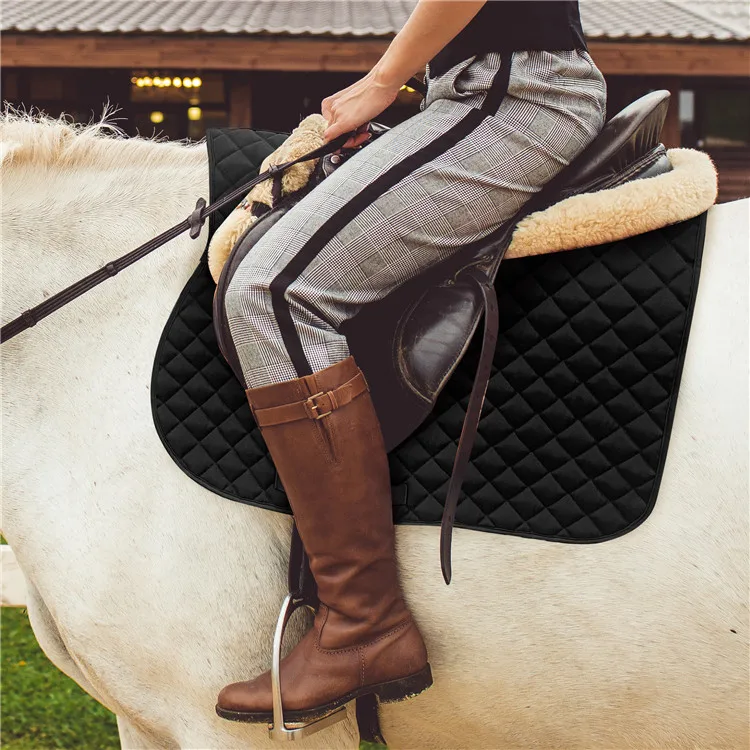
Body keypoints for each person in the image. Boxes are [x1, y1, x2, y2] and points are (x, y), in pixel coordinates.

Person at [216, 0, 607, 726]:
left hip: (512, 95)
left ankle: (362, 623)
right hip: (475, 89)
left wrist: (380, 79)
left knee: (270, 293)